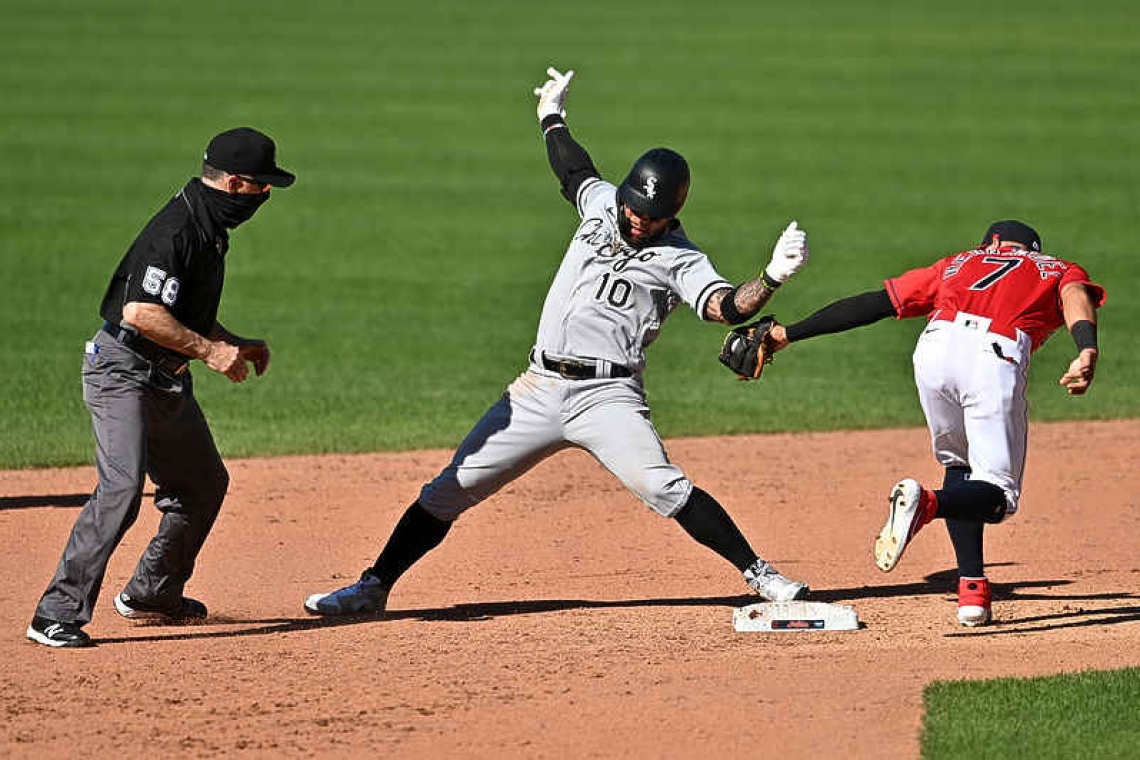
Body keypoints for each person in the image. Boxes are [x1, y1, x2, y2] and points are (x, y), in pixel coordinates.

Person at [303, 67, 811, 617]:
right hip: (536, 389)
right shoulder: (600, 205)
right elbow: (573, 169)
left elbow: (724, 306)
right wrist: (551, 116)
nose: (639, 222)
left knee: (666, 488)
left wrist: (773, 277)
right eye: (634, 210)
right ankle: (372, 587)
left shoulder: (680, 258)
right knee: (448, 490)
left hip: (607, 398)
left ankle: (761, 575)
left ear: (674, 215)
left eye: (653, 217)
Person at [753, 220, 1105, 626]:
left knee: (959, 464)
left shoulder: (958, 263)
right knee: (997, 494)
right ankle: (929, 503)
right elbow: (1076, 296)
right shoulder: (1055, 267)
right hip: (993, 356)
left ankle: (972, 590)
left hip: (934, 349)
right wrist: (1086, 347)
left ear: (990, 244)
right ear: (1032, 248)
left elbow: (874, 303)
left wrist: (787, 333)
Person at [26, 128, 296, 648]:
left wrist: (233, 341)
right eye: (262, 188)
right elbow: (141, 313)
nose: (265, 197)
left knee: (201, 485)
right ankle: (54, 613)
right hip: (121, 371)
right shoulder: (177, 229)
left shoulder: (209, 225)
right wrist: (213, 353)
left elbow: (180, 314)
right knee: (122, 488)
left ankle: (152, 593)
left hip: (164, 376)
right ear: (237, 184)